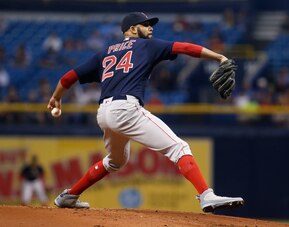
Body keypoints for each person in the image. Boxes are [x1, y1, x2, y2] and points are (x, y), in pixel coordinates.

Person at [47, 12, 244, 213]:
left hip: (104, 113)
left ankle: (69, 196)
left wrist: (56, 97)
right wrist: (219, 56)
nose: (150, 28)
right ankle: (206, 195)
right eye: (145, 24)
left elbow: (68, 77)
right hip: (125, 109)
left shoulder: (104, 53)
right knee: (179, 147)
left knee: (115, 161)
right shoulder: (147, 45)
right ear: (132, 29)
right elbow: (185, 47)